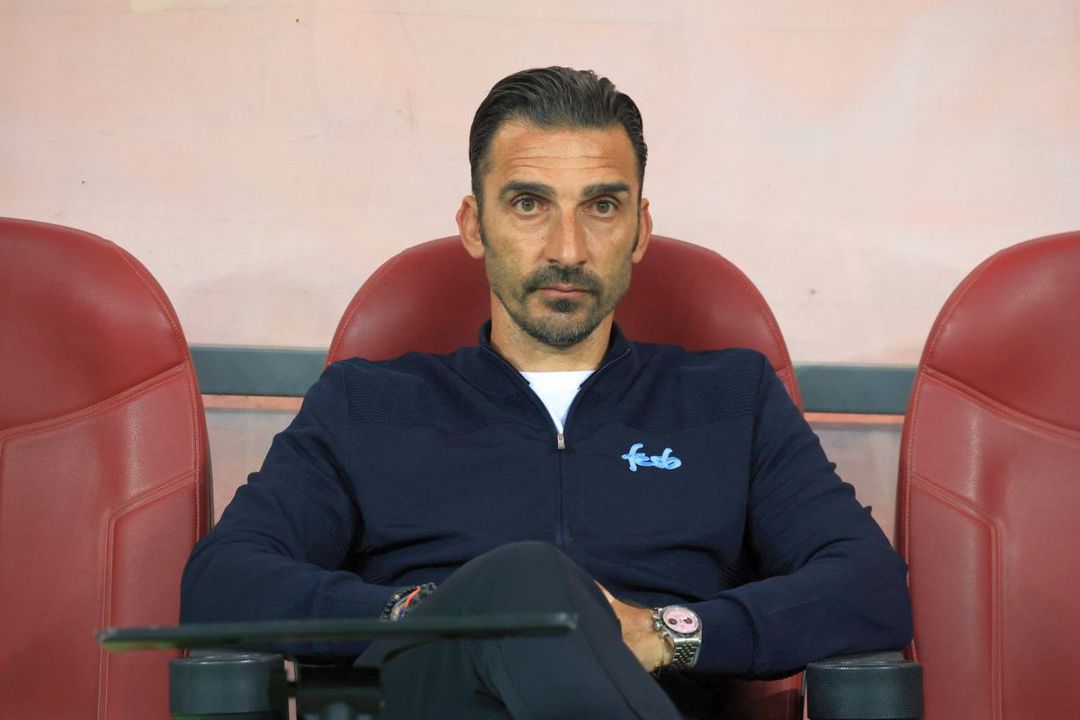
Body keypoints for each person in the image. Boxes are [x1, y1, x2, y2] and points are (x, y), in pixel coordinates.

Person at [181, 66, 912, 718]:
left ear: (640, 230)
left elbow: (868, 585)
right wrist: (420, 615)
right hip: (427, 698)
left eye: (601, 207)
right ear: (475, 226)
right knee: (524, 582)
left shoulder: (729, 402)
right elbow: (223, 579)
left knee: (529, 588)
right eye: (529, 204)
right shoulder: (368, 405)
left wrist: (665, 634)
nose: (568, 249)